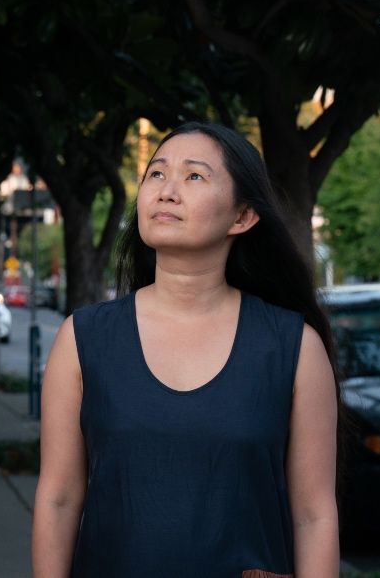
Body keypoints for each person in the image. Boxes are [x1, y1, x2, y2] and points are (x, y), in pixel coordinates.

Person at [32, 121, 340, 577]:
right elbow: (58, 500)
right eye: (156, 174)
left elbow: (314, 515)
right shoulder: (84, 339)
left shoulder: (293, 347)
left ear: (243, 216)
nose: (167, 190)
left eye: (194, 176)